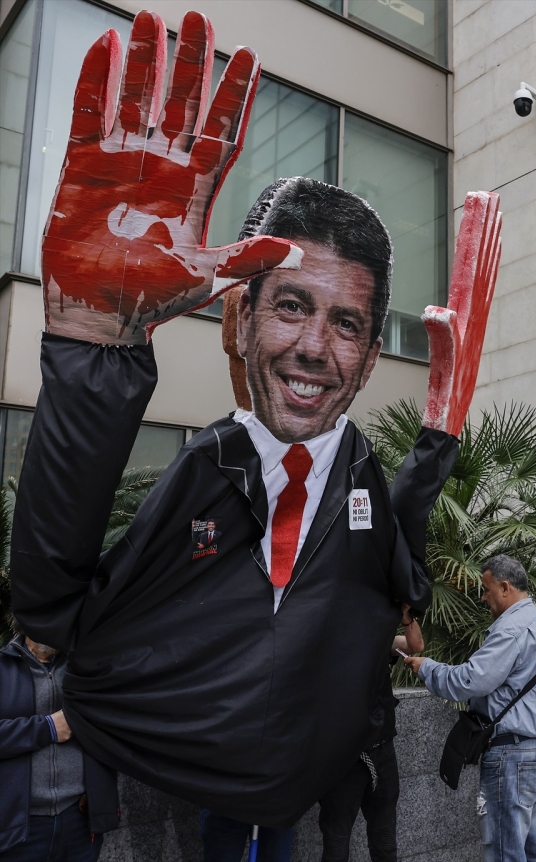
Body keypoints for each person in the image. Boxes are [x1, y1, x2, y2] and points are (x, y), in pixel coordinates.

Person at [9, 12, 484, 824]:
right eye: (291, 307)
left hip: (325, 787)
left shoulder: (364, 468)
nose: (314, 349)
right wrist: (92, 355)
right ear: (237, 321)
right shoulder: (207, 466)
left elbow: (399, 576)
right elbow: (59, 611)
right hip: (204, 803)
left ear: (371, 357)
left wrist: (438, 433)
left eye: (346, 326)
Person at [408, 556, 536, 861]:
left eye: (486, 589)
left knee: (506, 852)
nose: (482, 596)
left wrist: (428, 668)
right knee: (531, 852)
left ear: (505, 587)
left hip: (511, 755)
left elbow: (470, 681)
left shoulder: (511, 629)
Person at [0, 633, 118, 862]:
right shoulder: (3, 667)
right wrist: (48, 728)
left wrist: (97, 789)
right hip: (19, 829)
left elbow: (112, 722)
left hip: (79, 821)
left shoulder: (86, 666)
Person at [317, 614, 424, 862]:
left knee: (385, 842)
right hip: (342, 755)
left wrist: (406, 614)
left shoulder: (378, 638)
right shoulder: (325, 638)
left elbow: (415, 646)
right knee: (336, 843)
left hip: (382, 750)